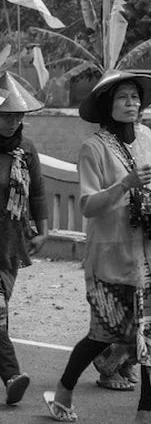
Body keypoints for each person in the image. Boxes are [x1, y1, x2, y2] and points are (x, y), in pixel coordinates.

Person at [44, 70, 151, 424]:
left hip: (150, 255)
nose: (131, 103)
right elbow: (88, 205)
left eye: (135, 96)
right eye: (123, 97)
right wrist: (126, 184)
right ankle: (63, 391)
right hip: (110, 257)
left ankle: (146, 412)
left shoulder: (148, 137)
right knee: (105, 334)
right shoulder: (94, 148)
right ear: (108, 105)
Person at [0, 72, 48, 405]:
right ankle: (12, 374)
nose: (13, 120)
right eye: (6, 115)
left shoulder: (26, 149)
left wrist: (44, 230)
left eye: (18, 115)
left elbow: (39, 192)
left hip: (9, 242)